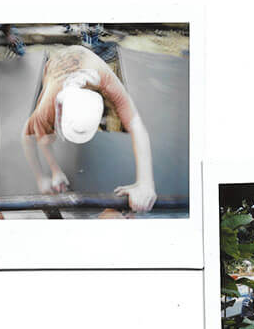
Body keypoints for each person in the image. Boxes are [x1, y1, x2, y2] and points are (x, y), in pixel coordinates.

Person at [21, 45, 156, 212]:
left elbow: (136, 122)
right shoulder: (48, 105)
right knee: (46, 135)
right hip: (56, 63)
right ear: (60, 112)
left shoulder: (104, 77)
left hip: (87, 58)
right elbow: (28, 137)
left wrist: (146, 183)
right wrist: (45, 176)